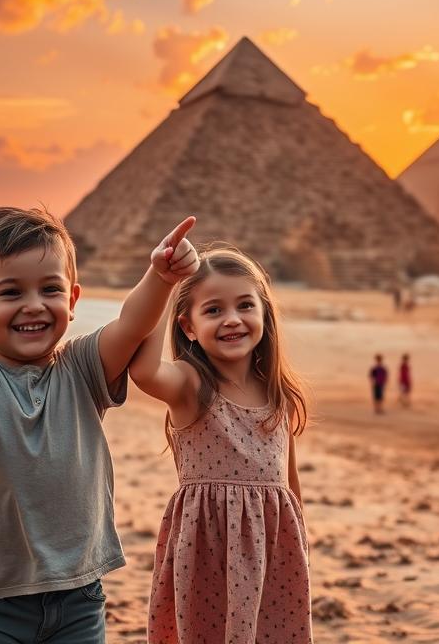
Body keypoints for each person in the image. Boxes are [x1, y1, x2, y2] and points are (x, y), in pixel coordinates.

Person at [0, 206, 199, 643]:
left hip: (79, 596)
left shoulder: (83, 369)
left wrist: (162, 278)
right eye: (11, 293)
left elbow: (132, 324)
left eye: (50, 289)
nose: (34, 305)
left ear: (71, 301)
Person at [129, 247, 311, 643]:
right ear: (188, 326)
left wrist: (300, 552)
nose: (232, 320)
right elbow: (142, 371)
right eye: (213, 310)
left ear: (264, 313)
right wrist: (166, 284)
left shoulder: (276, 393)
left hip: (271, 556)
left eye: (245, 305)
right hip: (207, 553)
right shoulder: (191, 386)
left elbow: (290, 488)